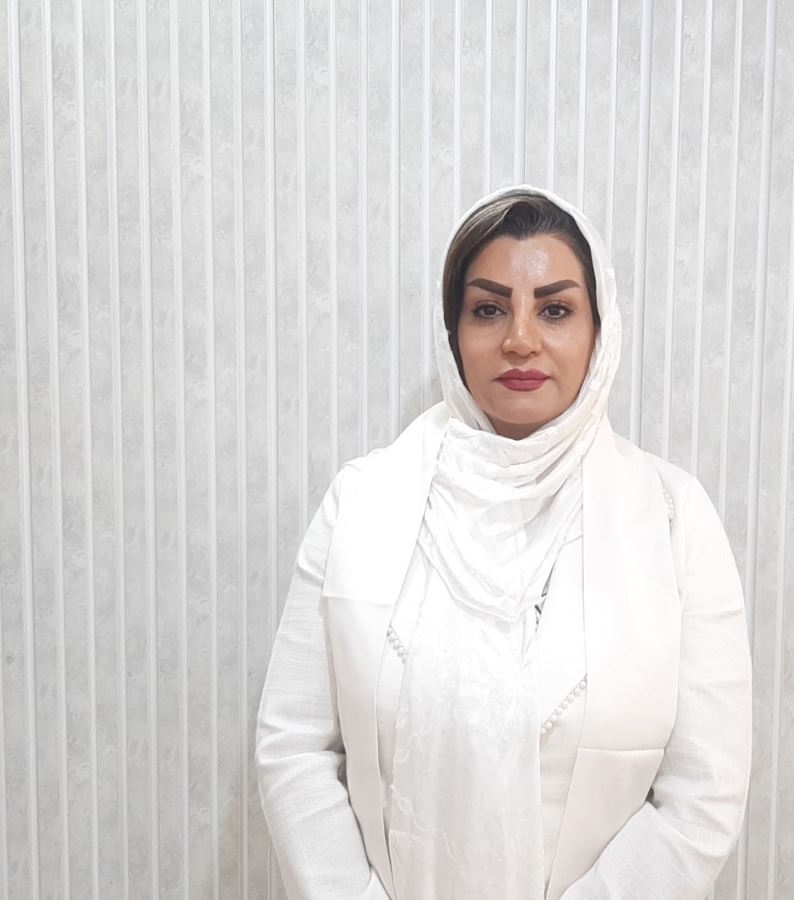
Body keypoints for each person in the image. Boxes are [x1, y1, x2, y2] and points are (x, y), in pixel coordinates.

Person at [254, 184, 752, 899]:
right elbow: (295, 745)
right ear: (453, 333)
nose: (520, 339)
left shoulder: (673, 519)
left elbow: (703, 791)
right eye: (489, 309)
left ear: (600, 330)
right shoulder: (363, 503)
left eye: (555, 309)